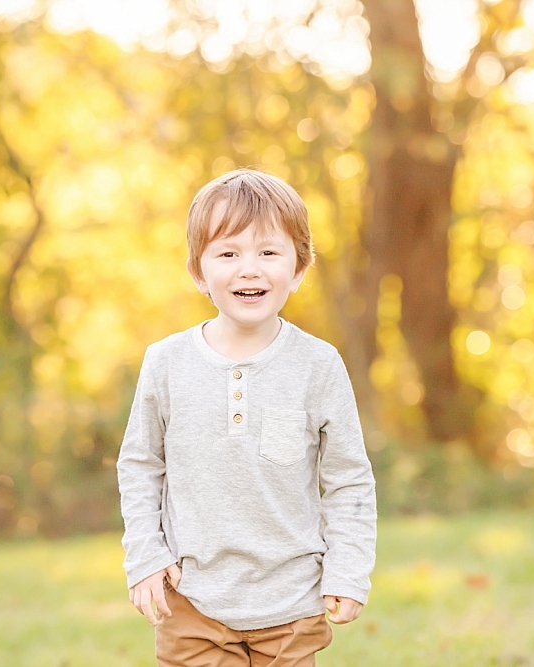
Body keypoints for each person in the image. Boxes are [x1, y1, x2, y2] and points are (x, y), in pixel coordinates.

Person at [118, 168, 377, 666]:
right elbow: (140, 467)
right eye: (228, 253)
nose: (249, 269)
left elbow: (348, 480)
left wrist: (348, 568)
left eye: (268, 252)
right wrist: (146, 556)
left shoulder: (318, 366)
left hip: (292, 604)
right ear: (198, 272)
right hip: (190, 600)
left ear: (299, 269)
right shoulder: (166, 363)